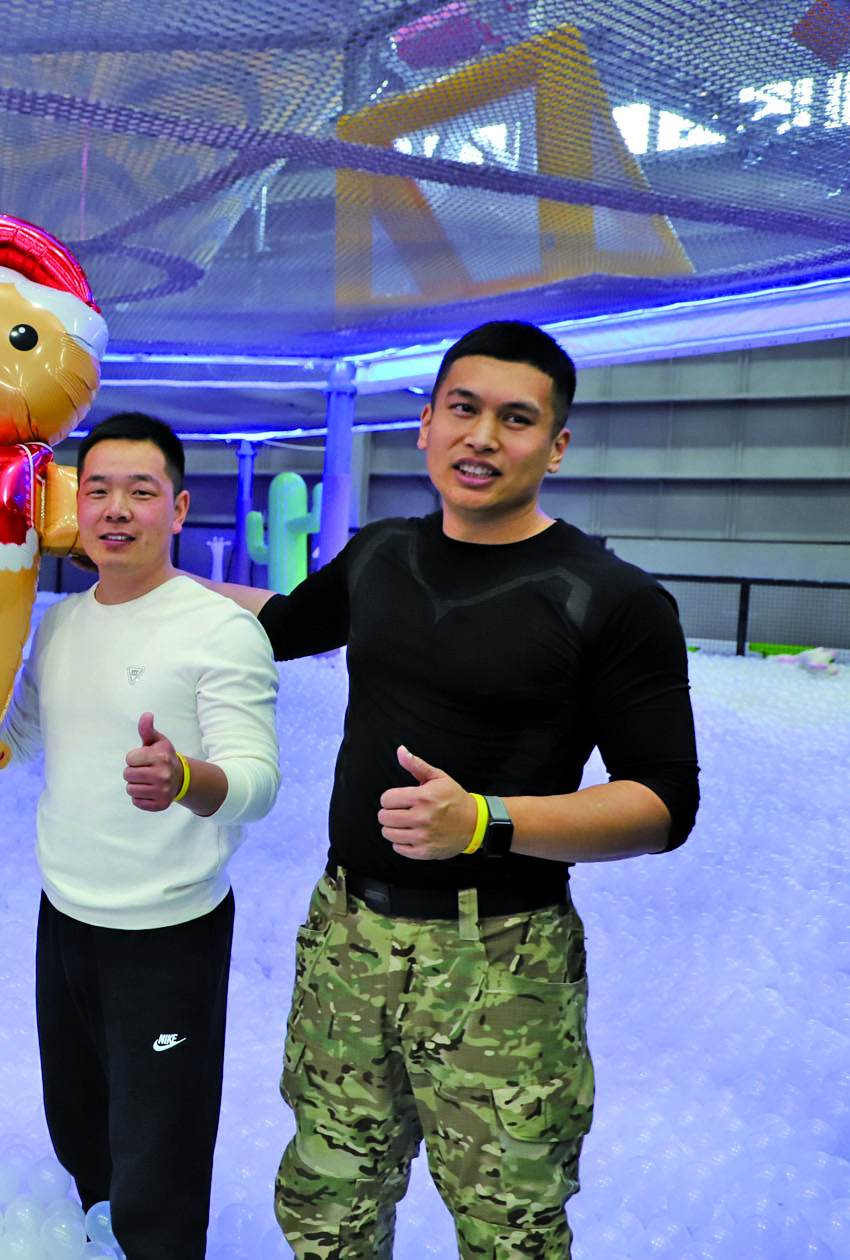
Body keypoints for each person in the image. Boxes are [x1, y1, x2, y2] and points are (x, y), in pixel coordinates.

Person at [205, 320, 700, 1259]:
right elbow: (279, 623)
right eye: (463, 409)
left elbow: (663, 802)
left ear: (556, 445)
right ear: (426, 423)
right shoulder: (381, 554)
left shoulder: (614, 599)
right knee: (328, 1209)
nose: (482, 437)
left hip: (502, 963)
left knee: (510, 1230)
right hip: (348, 938)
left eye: (516, 419)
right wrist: (143, 573)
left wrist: (484, 819)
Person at [0, 412, 282, 1259]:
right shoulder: (58, 623)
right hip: (65, 911)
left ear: (179, 508)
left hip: (168, 929)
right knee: (79, 1117)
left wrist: (186, 778)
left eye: (141, 492)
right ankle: (100, 1227)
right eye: (98, 491)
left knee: (161, 1145)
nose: (116, 509)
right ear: (74, 506)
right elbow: (14, 740)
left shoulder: (220, 630)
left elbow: (258, 783)